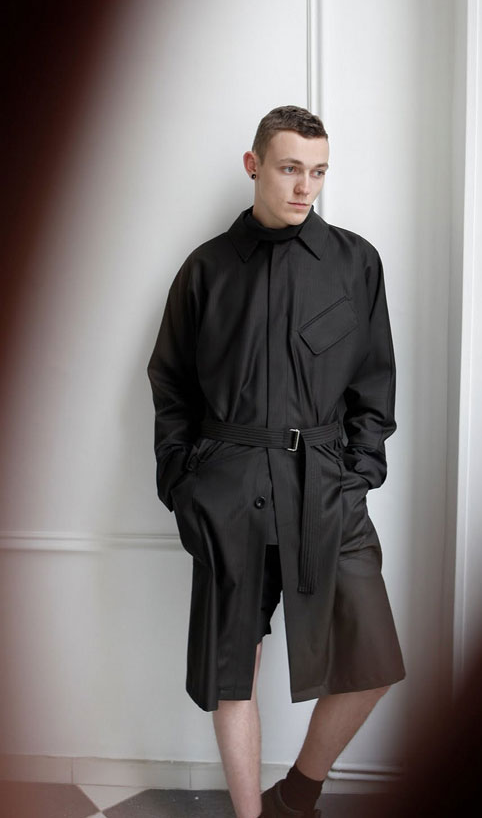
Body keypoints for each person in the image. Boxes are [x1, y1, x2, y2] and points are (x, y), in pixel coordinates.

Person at [147, 105, 405, 818]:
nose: (305, 188)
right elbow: (170, 383)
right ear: (253, 164)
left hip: (327, 490)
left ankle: (295, 795)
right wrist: (184, 482)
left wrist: (357, 478)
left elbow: (375, 384)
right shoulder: (206, 269)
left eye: (318, 172)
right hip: (229, 489)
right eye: (291, 168)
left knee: (373, 663)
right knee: (235, 673)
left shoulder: (355, 263)